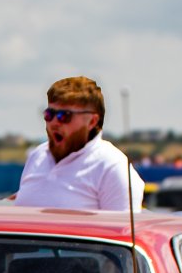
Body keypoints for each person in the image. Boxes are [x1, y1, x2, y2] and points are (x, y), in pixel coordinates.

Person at [14, 76, 143, 211]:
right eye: (49, 114)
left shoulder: (112, 166)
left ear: (92, 122)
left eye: (64, 115)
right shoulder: (37, 156)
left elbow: (123, 230)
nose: (54, 122)